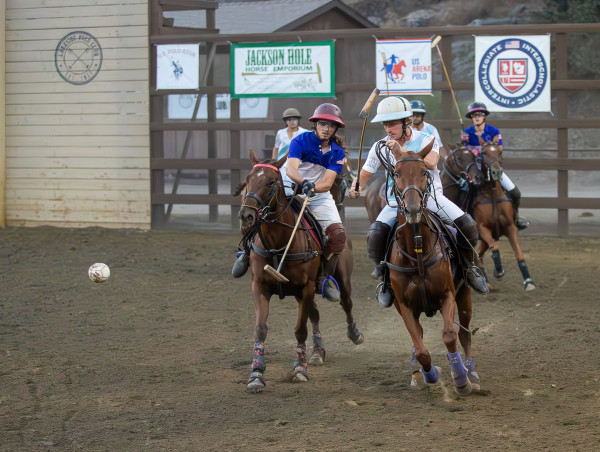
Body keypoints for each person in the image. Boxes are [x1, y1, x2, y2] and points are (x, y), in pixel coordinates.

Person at [349, 96, 489, 307]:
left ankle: (469, 268)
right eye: (385, 124)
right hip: (396, 203)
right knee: (375, 235)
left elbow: (432, 162)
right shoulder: (380, 146)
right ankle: (386, 280)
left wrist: (400, 152)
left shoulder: (426, 138)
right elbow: (366, 173)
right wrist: (356, 186)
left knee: (467, 224)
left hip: (431, 199)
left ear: (406, 122)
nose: (388, 128)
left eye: (392, 123)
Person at [233, 103, 348, 303]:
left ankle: (322, 277)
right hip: (289, 186)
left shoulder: (337, 152)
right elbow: (291, 170)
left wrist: (313, 187)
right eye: (323, 123)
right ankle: (245, 251)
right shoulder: (300, 140)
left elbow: (328, 182)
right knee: (258, 213)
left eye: (331, 125)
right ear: (315, 124)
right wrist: (303, 183)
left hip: (318, 193)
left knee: (338, 235)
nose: (326, 128)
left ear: (336, 128)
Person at [461, 101, 529, 230]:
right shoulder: (467, 133)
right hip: (475, 169)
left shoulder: (493, 131)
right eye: (473, 115)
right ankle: (463, 218)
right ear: (471, 117)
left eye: (479, 114)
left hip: (492, 168)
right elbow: (464, 153)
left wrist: (481, 150)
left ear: (484, 116)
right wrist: (464, 143)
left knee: (515, 192)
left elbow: (499, 149)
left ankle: (516, 218)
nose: (476, 117)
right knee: (463, 191)